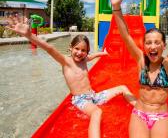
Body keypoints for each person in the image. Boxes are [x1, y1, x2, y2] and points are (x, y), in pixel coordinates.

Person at [5, 17, 136, 138]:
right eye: (77, 49)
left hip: (93, 96)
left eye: (83, 50)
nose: (79, 53)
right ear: (70, 48)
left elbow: (93, 55)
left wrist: (104, 53)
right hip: (80, 100)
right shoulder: (66, 62)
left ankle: (141, 110)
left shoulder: (85, 59)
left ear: (86, 52)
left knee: (123, 87)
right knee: (97, 113)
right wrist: (30, 36)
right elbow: (49, 48)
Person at [108, 0, 168, 138]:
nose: (152, 46)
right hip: (139, 113)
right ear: (144, 46)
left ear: (164, 45)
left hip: (160, 117)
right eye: (148, 43)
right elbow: (126, 36)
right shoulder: (141, 60)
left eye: (157, 42)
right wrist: (116, 7)